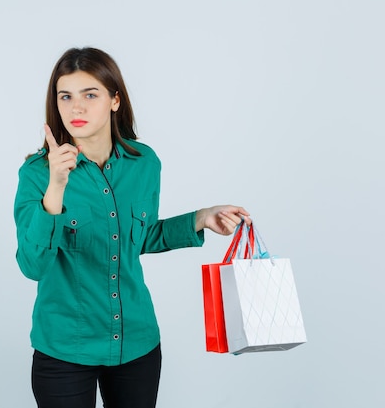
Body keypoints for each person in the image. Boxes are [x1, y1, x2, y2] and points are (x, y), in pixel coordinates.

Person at [13, 47, 251, 408]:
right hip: (65, 348)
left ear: (114, 101)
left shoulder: (144, 163)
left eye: (90, 95)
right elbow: (33, 265)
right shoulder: (37, 173)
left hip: (136, 342)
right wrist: (56, 185)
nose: (76, 107)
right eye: (66, 96)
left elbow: (137, 239)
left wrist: (201, 217)